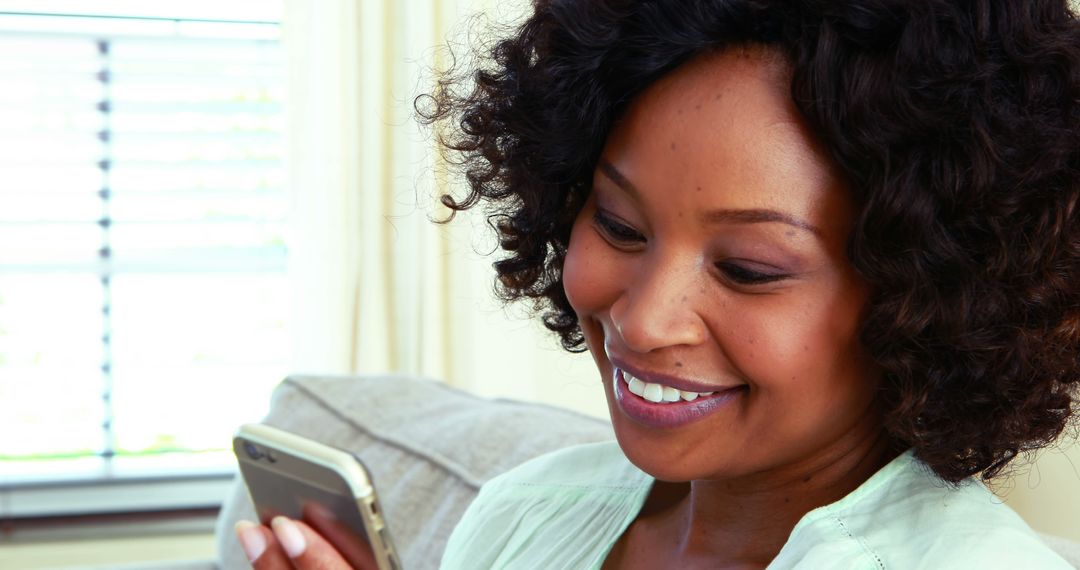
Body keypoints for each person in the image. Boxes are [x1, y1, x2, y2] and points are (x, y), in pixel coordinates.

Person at [235, 0, 1080, 567]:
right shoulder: (527, 513)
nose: (642, 322)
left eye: (748, 269)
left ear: (926, 298)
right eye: (619, 226)